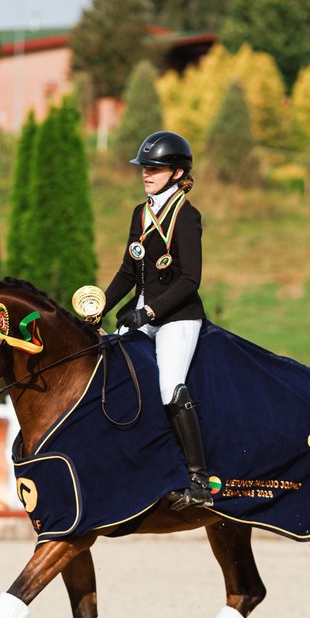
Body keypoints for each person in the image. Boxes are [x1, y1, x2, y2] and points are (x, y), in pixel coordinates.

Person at [101, 131, 212, 510]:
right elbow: (127, 272)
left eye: (154, 168)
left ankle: (198, 480)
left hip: (177, 318)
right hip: (141, 314)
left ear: (178, 173)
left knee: (169, 385)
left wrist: (148, 312)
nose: (145, 174)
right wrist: (99, 305)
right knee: (107, 368)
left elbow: (190, 280)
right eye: (143, 168)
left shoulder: (187, 215)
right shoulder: (141, 213)